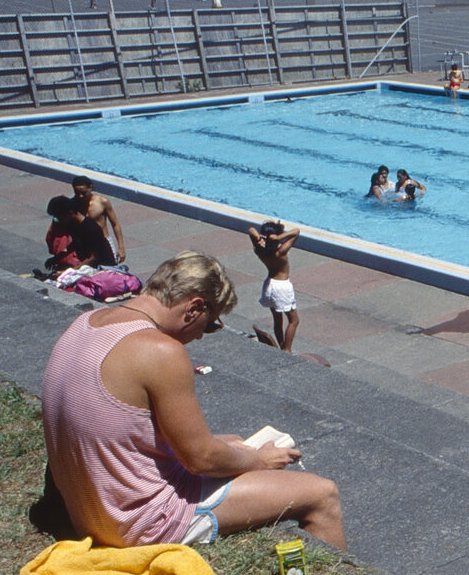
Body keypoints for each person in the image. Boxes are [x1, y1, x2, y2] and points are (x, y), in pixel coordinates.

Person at [41, 252, 345, 549]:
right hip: (138, 525)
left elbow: (121, 428)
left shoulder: (85, 323)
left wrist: (227, 448)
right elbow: (201, 459)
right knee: (322, 494)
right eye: (210, 324)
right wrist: (259, 461)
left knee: (233, 442)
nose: (201, 336)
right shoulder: (159, 350)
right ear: (194, 308)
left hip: (86, 514)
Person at [247, 221, 300, 353]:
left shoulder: (260, 250)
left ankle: (282, 346)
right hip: (282, 286)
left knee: (278, 320)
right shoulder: (281, 252)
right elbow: (296, 231)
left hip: (269, 285)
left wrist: (260, 238)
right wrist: (278, 238)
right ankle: (287, 349)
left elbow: (251, 230)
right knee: (294, 320)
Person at [45, 196, 116, 270]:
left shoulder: (90, 228)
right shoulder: (73, 226)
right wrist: (56, 258)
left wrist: (71, 272)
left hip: (103, 268)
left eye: (59, 218)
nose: (59, 221)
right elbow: (74, 244)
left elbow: (93, 258)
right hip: (88, 266)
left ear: (70, 212)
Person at [72, 175, 126, 266]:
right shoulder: (73, 204)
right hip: (85, 243)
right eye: (77, 193)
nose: (80, 196)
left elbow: (115, 224)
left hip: (104, 242)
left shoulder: (102, 202)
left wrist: (121, 247)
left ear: (90, 187)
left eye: (83, 192)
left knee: (110, 270)